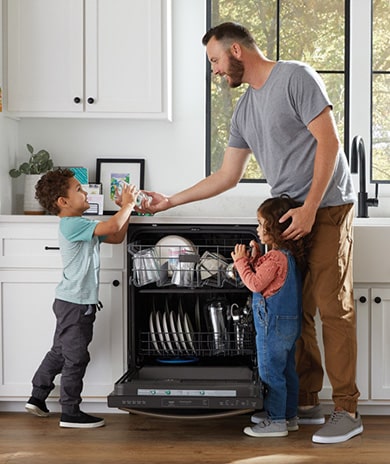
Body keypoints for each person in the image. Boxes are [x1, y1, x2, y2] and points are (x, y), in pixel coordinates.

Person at [140, 22, 363, 444]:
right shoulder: (245, 110)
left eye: (215, 61)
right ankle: (305, 400)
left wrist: (311, 207)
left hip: (327, 207)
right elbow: (226, 175)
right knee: (294, 312)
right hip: (285, 218)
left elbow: (330, 143)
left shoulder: (295, 77)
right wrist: (169, 201)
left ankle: (347, 410)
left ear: (236, 51)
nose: (215, 71)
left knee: (333, 307)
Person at [25, 168, 137, 428]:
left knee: (60, 353)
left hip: (71, 302)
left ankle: (37, 397)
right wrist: (128, 204)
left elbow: (117, 235)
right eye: (79, 189)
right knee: (76, 358)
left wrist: (126, 209)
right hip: (75, 304)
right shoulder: (72, 224)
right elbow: (113, 225)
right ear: (63, 202)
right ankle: (70, 412)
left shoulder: (82, 225)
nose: (85, 192)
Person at [231, 195, 308, 438]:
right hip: (290, 324)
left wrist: (242, 262)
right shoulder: (286, 255)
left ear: (273, 227)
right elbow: (270, 280)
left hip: (271, 326)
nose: (257, 228)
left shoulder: (275, 257)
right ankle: (288, 416)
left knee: (270, 373)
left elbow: (255, 283)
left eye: (260, 223)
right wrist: (255, 257)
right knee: (286, 371)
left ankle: (275, 422)